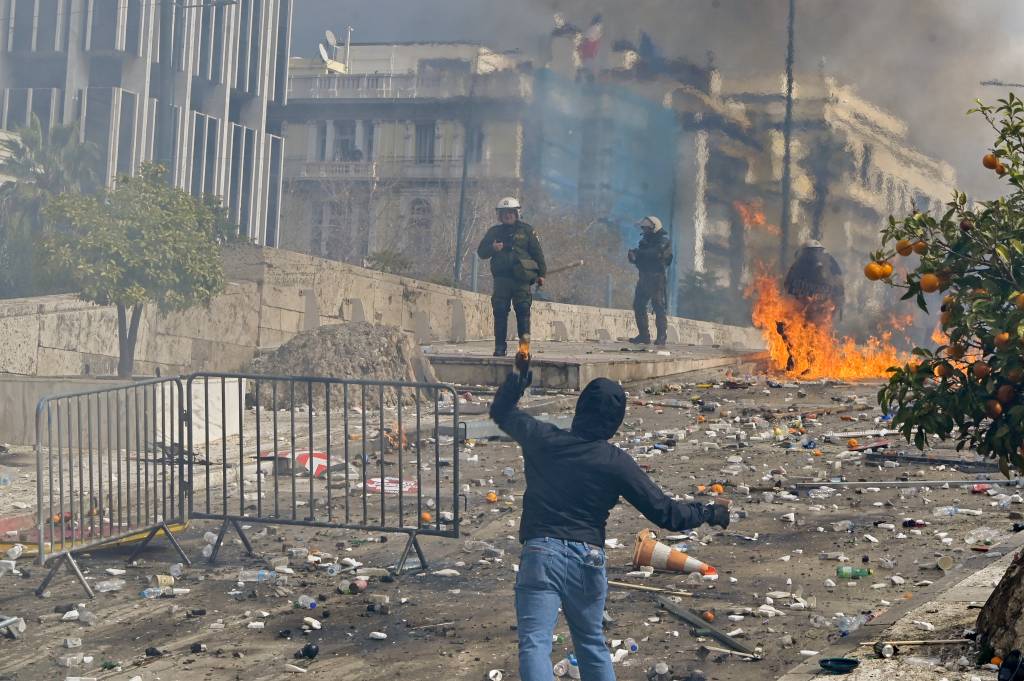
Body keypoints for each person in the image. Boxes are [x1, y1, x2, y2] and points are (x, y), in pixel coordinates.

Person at [490, 370, 730, 681]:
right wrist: (709, 512)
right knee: (591, 644)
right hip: (586, 559)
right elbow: (666, 513)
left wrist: (516, 383)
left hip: (541, 553)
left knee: (534, 644)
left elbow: (502, 412)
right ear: (615, 423)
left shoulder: (543, 439)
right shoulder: (615, 462)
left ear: (580, 409)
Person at [477, 197, 547, 356]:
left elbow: (538, 253)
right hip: (502, 279)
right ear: (499, 215)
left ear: (516, 213)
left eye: (510, 212)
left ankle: (524, 350)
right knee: (500, 311)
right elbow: (481, 252)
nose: (507, 215)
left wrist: (542, 274)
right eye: (504, 213)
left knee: (523, 312)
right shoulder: (494, 232)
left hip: (521, 279)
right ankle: (500, 348)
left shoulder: (527, 231)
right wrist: (493, 248)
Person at [779, 240, 845, 369]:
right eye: (810, 253)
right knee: (789, 332)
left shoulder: (830, 266)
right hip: (802, 309)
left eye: (816, 252)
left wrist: (836, 308)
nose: (813, 255)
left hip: (821, 310)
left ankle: (813, 364)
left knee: (815, 337)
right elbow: (788, 288)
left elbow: (839, 290)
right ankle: (795, 358)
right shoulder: (797, 268)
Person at [628, 216, 673, 346]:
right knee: (638, 305)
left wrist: (640, 253)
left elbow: (656, 253)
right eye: (644, 228)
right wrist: (633, 257)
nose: (644, 230)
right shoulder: (644, 241)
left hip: (656, 278)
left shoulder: (663, 240)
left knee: (658, 307)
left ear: (654, 227)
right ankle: (643, 335)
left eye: (647, 228)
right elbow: (641, 258)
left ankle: (661, 337)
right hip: (644, 277)